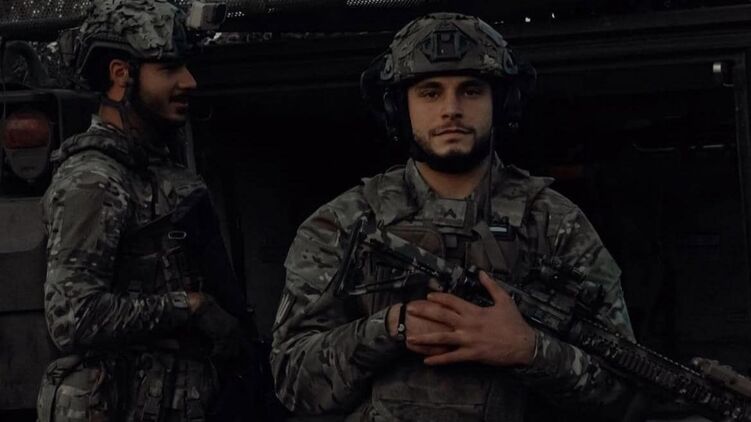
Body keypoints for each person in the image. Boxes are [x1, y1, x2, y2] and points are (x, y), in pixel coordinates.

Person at [271, 12, 635, 421]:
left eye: (471, 91)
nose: (451, 110)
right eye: (430, 93)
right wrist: (391, 327)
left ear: (501, 102)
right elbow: (292, 381)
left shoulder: (555, 224)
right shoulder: (344, 223)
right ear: (399, 108)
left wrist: (529, 349)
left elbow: (622, 388)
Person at [36, 1, 245, 421]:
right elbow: (73, 317)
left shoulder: (157, 170)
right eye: (168, 68)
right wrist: (191, 306)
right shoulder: (94, 179)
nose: (188, 81)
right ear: (121, 74)